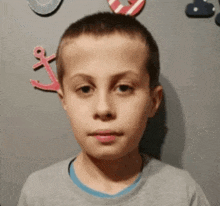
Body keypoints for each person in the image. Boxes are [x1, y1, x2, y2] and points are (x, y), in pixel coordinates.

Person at [18, 12, 210, 206]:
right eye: (85, 89)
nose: (103, 109)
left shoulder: (181, 193)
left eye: (124, 88)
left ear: (153, 101)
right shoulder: (38, 194)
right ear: (64, 100)